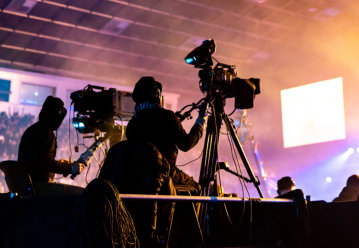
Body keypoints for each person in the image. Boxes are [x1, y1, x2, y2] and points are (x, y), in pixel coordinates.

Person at [125, 76, 207, 195]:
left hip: (139, 176)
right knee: (197, 188)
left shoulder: (132, 124)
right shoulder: (167, 117)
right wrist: (200, 122)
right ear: (157, 96)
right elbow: (186, 144)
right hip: (165, 172)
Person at [18, 96, 84, 196]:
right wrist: (70, 168)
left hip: (27, 185)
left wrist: (60, 164)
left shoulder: (32, 129)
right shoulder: (47, 133)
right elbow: (46, 163)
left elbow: (39, 160)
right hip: (39, 187)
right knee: (80, 194)